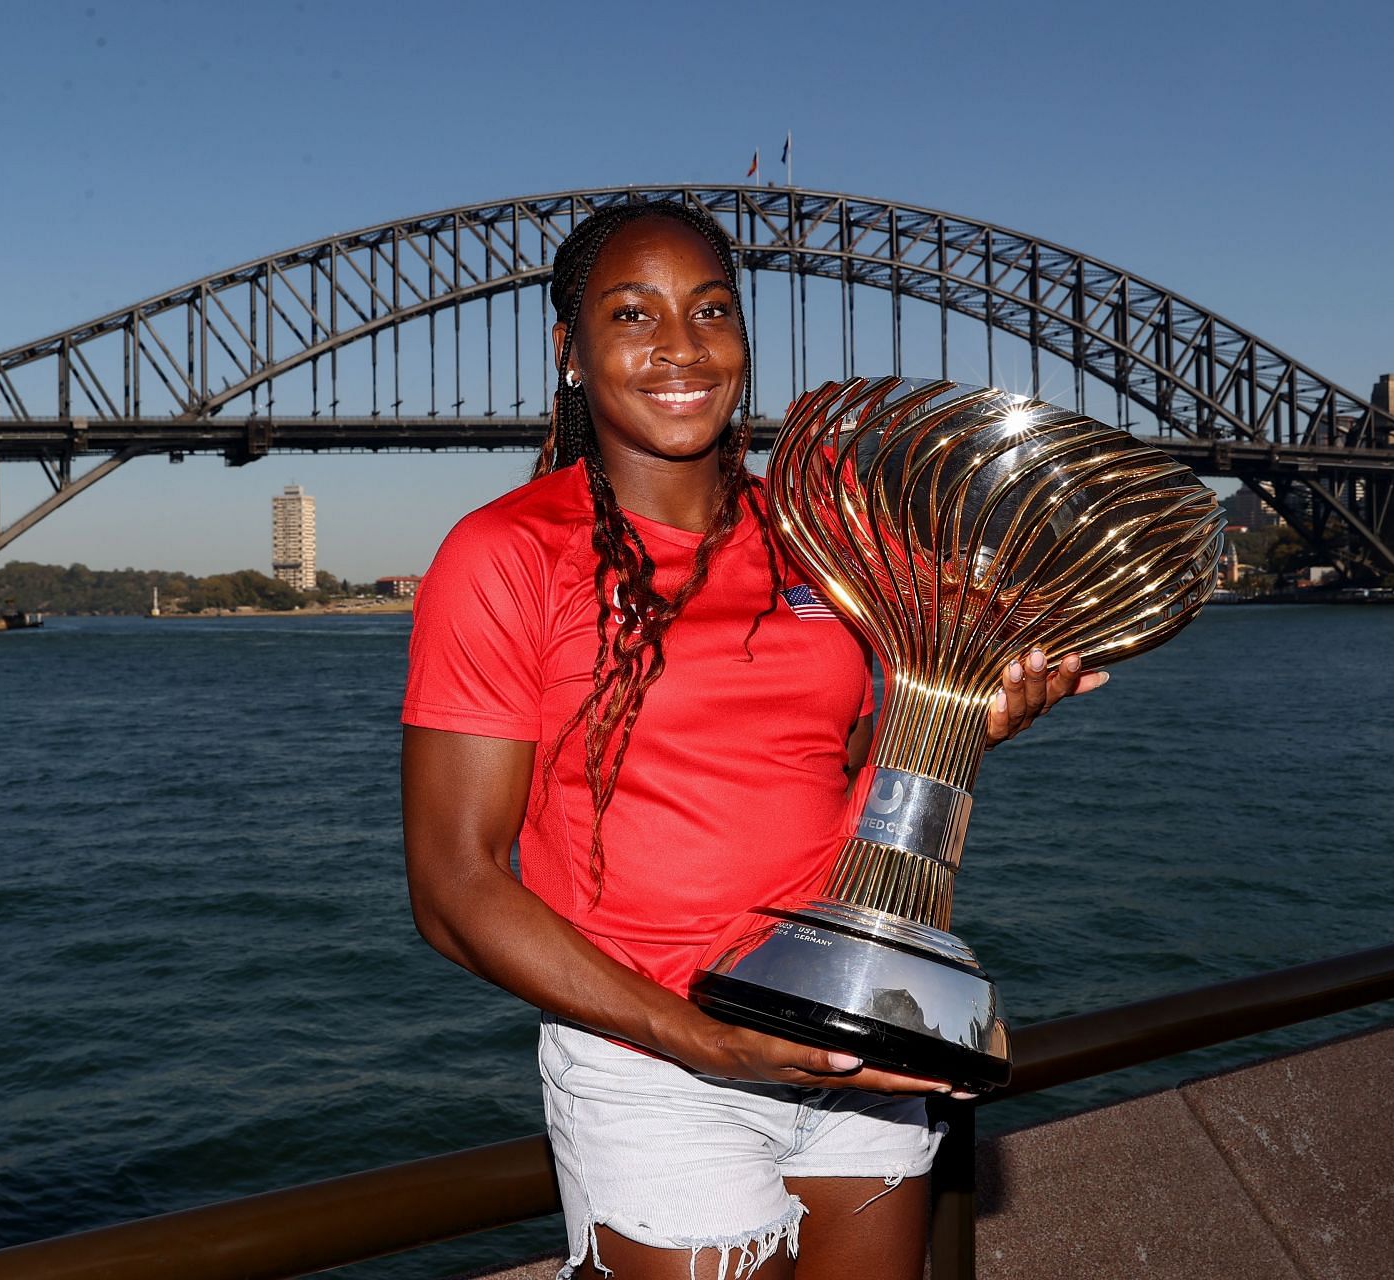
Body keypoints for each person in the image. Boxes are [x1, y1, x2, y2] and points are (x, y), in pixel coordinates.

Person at [401, 200, 1102, 1280]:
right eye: (632, 313)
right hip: (658, 1062)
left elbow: (844, 773)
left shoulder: (826, 540)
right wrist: (708, 1041)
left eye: (711, 310)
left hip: (855, 1032)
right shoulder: (506, 554)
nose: (680, 346)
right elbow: (453, 889)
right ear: (570, 352)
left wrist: (964, 717)